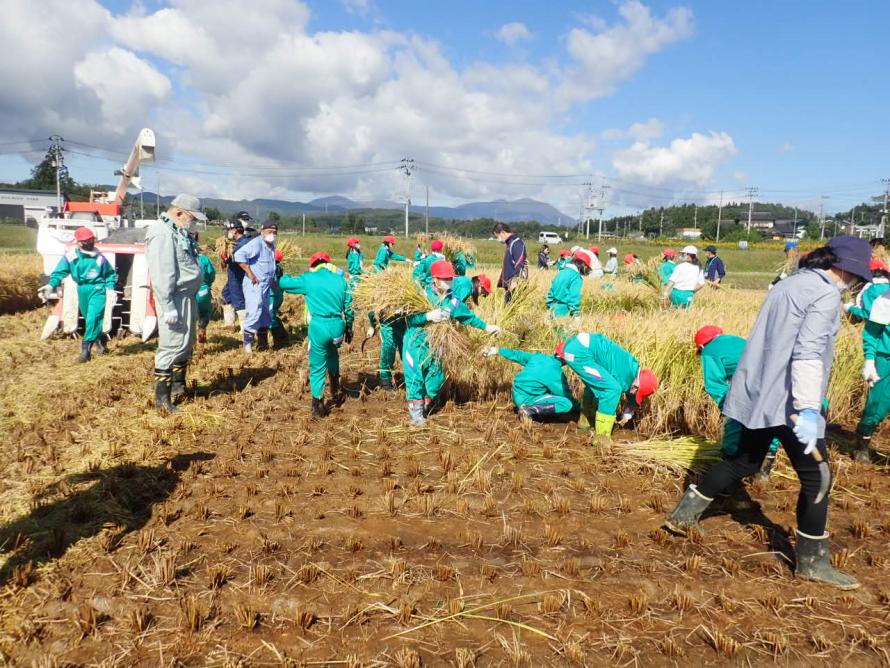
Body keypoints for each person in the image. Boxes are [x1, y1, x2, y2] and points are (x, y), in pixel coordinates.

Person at [666, 235, 872, 590]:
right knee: (817, 478)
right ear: (847, 270)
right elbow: (808, 353)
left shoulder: (790, 284)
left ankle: (684, 515)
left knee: (744, 462)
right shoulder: (823, 294)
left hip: (759, 395)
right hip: (790, 403)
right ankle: (812, 562)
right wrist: (808, 409)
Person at [403, 260, 501, 425]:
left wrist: (487, 327)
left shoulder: (453, 300)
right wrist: (427, 316)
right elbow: (409, 319)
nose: (449, 282)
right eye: (445, 279)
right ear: (434, 279)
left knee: (436, 376)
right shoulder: (421, 295)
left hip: (436, 344)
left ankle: (425, 405)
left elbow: (468, 317)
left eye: (450, 279)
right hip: (416, 341)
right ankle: (416, 416)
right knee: (415, 378)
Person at [144, 194, 205, 413]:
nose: (194, 223)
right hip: (174, 299)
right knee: (171, 345)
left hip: (186, 297)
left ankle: (179, 387)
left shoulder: (175, 230)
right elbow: (162, 273)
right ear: (179, 213)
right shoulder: (162, 234)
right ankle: (162, 400)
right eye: (192, 218)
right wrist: (167, 304)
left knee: (185, 343)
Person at [696, 325, 779, 479]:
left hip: (752, 386)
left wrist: (726, 407)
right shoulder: (736, 340)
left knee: (734, 425)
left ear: (701, 346)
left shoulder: (709, 352)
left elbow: (715, 385)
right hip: (775, 381)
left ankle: (730, 474)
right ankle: (762, 474)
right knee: (769, 423)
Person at [279, 251, 354, 417]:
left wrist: (280, 273)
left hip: (319, 326)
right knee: (333, 352)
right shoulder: (340, 280)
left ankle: (317, 403)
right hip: (337, 326)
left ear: (313, 265)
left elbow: (284, 284)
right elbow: (349, 308)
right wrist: (349, 327)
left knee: (317, 364)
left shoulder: (308, 278)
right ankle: (335, 386)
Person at [556, 332, 658, 439]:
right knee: (612, 390)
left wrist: (629, 411)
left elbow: (630, 392)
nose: (633, 393)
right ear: (636, 386)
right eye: (637, 393)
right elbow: (613, 392)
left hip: (578, 347)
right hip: (580, 353)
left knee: (600, 385)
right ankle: (602, 438)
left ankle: (585, 421)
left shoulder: (631, 370)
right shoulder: (625, 374)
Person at [40, 226, 117, 362]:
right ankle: (101, 340)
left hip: (98, 288)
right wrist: (50, 285)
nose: (90, 242)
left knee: (94, 317)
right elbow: (59, 272)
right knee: (90, 319)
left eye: (91, 239)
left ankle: (85, 351)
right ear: (79, 242)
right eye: (86, 240)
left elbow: (110, 274)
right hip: (82, 289)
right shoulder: (71, 257)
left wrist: (110, 289)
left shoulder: (100, 258)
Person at [848, 259, 890, 462]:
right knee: (878, 406)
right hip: (886, 359)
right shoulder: (884, 300)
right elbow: (873, 333)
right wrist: (870, 361)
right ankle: (863, 441)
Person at [482, 346, 579, 421]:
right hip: (527, 399)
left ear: (555, 352)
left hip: (516, 393)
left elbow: (518, 355)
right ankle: (529, 410)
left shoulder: (538, 357)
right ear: (566, 360)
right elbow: (565, 395)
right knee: (567, 403)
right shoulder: (557, 374)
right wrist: (581, 407)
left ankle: (529, 408)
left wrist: (497, 350)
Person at [234, 220, 278, 353]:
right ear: (262, 231)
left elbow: (270, 266)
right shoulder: (256, 243)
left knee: (265, 313)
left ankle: (263, 344)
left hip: (266, 284)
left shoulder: (271, 246)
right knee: (254, 311)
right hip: (255, 284)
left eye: (275, 233)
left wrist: (273, 282)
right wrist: (250, 273)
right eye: (270, 232)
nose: (272, 235)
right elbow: (238, 256)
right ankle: (247, 345)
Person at [220, 212, 254, 329]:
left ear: (235, 230)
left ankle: (245, 329)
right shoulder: (235, 243)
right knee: (226, 295)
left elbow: (238, 260)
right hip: (233, 274)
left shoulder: (243, 243)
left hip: (239, 276)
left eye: (230, 230)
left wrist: (226, 259)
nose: (228, 232)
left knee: (238, 300)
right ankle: (229, 324)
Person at [546, 248, 594, 317]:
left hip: (552, 309)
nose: (587, 271)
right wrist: (576, 314)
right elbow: (574, 297)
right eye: (587, 268)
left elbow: (551, 291)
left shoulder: (561, 272)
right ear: (583, 265)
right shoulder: (576, 277)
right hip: (564, 312)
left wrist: (549, 308)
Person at [493, 222, 527, 303]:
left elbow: (520, 263)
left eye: (497, 236)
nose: (497, 239)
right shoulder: (510, 243)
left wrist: (515, 280)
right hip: (510, 287)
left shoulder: (516, 243)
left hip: (515, 287)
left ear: (503, 233)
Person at [193, 233, 216, 344]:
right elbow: (211, 274)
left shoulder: (182, 258)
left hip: (186, 291)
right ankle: (202, 330)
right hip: (203, 290)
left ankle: (189, 341)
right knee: (204, 313)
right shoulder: (203, 259)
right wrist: (208, 284)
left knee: (188, 316)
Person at [269, 248, 288, 348]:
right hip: (277, 295)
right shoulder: (277, 267)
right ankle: (283, 336)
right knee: (272, 316)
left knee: (270, 318)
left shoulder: (272, 268)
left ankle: (280, 340)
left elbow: (272, 284)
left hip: (273, 296)